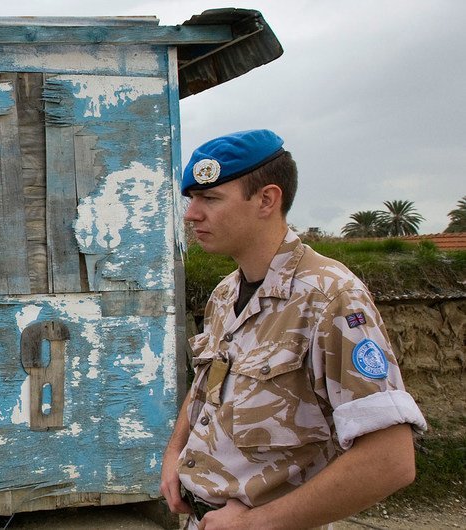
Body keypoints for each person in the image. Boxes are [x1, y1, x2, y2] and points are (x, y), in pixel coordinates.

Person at [159, 129, 428, 529]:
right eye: (192, 198)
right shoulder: (224, 294)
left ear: (267, 199)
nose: (191, 213)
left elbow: (390, 460)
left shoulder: (331, 298)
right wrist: (175, 453)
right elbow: (208, 385)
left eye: (210, 199)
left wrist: (256, 523)